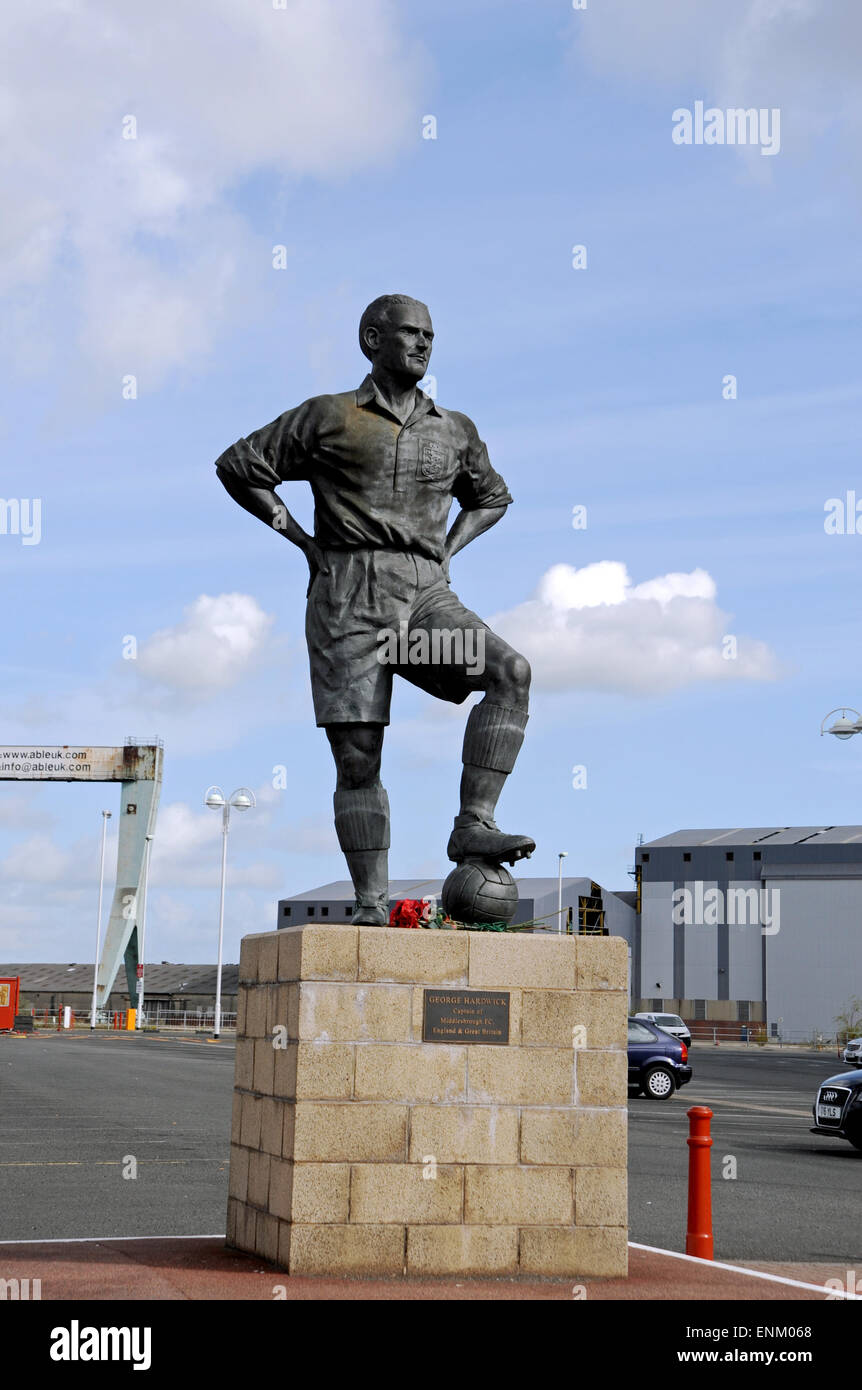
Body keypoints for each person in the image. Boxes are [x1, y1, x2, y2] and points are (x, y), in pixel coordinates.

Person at [215, 294, 533, 925]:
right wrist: (300, 539)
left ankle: (474, 823)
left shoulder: (455, 428)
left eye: (430, 337)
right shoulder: (328, 417)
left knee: (509, 672)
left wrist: (445, 551)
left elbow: (492, 497)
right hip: (348, 599)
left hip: (423, 599)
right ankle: (370, 903)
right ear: (371, 339)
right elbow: (239, 465)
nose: (422, 345)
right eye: (410, 334)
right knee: (359, 755)